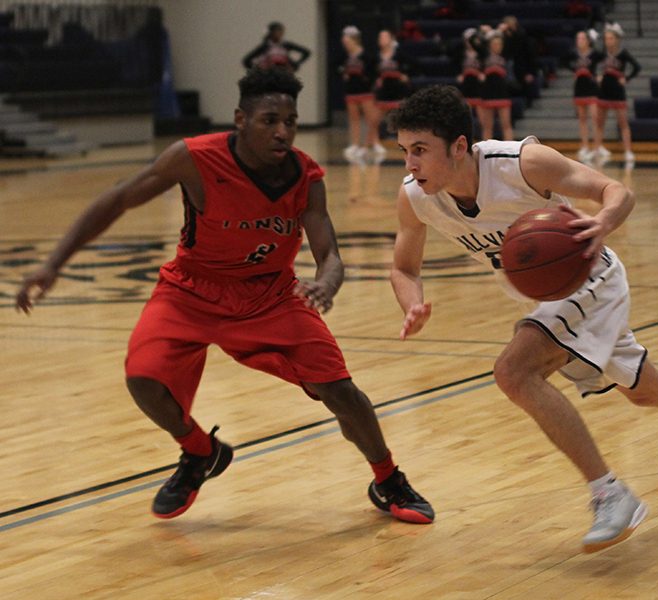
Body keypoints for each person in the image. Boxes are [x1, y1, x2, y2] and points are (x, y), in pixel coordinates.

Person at [15, 67, 434, 526]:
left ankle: (388, 479)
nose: (282, 132)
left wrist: (326, 283)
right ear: (240, 119)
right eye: (269, 120)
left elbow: (329, 252)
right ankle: (200, 451)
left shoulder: (305, 175)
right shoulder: (193, 158)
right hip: (190, 290)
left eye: (290, 121)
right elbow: (119, 199)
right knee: (143, 379)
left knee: (342, 391)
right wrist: (53, 264)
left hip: (270, 294)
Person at [388, 85, 658, 553]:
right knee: (646, 390)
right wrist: (411, 302)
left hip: (592, 277)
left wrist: (603, 222)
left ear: (458, 146)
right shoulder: (416, 196)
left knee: (514, 372)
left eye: (419, 151)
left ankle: (610, 494)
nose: (410, 164)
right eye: (403, 151)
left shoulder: (521, 163)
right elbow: (402, 267)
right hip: (550, 296)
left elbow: (616, 190)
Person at [594, 23, 640, 165]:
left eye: (611, 38)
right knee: (599, 122)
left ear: (617, 39)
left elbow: (637, 67)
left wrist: (626, 78)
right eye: (606, 38)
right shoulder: (602, 54)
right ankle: (597, 148)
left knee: (623, 123)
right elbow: (590, 65)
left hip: (618, 91)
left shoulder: (623, 54)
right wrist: (596, 76)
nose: (608, 41)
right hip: (603, 91)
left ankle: (628, 151)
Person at [372, 29, 414, 162]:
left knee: (402, 119)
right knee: (375, 119)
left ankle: (406, 143)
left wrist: (405, 75)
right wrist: (375, 79)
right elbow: (369, 72)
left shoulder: (399, 54)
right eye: (380, 37)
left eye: (384, 37)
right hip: (383, 91)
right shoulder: (376, 56)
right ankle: (375, 143)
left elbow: (414, 64)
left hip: (398, 90)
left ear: (391, 39)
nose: (381, 40)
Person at [339, 25, 379, 164]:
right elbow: (340, 70)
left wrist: (370, 80)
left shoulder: (367, 56)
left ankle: (370, 144)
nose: (345, 45)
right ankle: (355, 145)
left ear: (354, 40)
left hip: (366, 91)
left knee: (371, 120)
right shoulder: (345, 57)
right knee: (353, 119)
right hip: (351, 91)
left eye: (347, 41)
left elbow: (374, 72)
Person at [570, 30, 602, 164]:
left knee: (595, 119)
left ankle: (597, 147)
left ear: (588, 41)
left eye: (582, 39)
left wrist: (600, 75)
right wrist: (574, 70)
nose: (580, 41)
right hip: (579, 88)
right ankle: (585, 146)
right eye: (578, 39)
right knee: (582, 119)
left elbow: (606, 59)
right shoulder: (574, 55)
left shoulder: (595, 54)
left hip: (592, 88)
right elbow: (563, 61)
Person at [456, 27, 489, 140]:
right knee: (466, 118)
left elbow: (487, 63)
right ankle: (468, 141)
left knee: (482, 119)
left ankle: (485, 142)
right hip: (466, 87)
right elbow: (454, 64)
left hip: (478, 87)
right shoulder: (461, 53)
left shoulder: (482, 52)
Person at [481, 31, 515, 141]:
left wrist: (504, 31)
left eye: (500, 44)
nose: (498, 46)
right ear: (490, 45)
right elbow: (475, 43)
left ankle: (510, 151)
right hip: (488, 91)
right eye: (495, 44)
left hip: (502, 91)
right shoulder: (484, 56)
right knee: (487, 126)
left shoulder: (506, 56)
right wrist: (486, 32)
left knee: (506, 124)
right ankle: (485, 152)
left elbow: (515, 41)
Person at [242, 21, 311, 72]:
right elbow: (246, 60)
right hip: (268, 74)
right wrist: (258, 70)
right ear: (271, 32)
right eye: (277, 31)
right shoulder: (265, 46)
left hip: (283, 73)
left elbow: (306, 52)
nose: (280, 34)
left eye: (281, 31)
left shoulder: (286, 45)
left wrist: (296, 64)